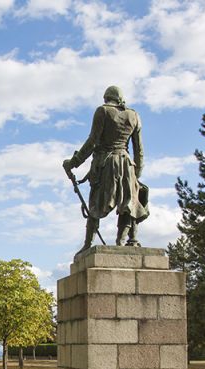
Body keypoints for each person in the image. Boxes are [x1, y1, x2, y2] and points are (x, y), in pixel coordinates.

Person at [63, 85, 149, 252]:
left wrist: (74, 162)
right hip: (127, 164)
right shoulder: (134, 115)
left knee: (96, 202)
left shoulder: (102, 111)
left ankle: (88, 244)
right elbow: (139, 150)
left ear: (106, 98)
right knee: (128, 201)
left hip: (106, 163)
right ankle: (124, 241)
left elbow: (92, 142)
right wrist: (136, 174)